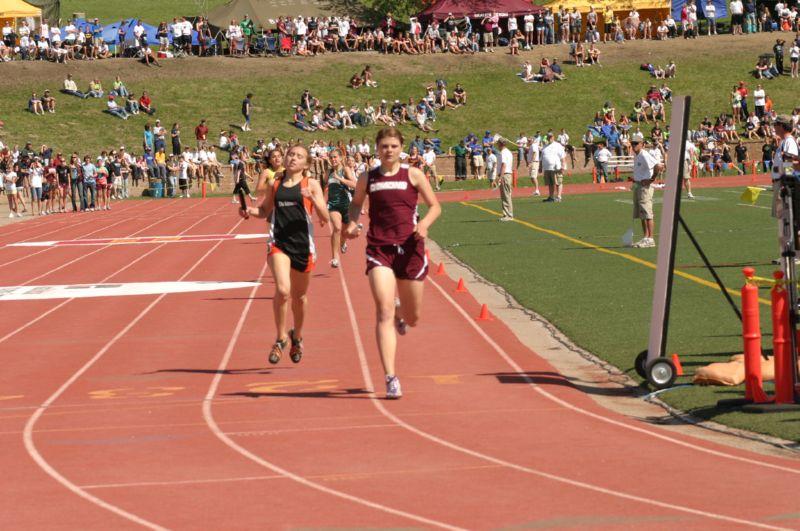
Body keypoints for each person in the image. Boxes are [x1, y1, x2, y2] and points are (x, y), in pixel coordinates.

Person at [343, 127, 441, 399]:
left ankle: (402, 314)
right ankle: (390, 377)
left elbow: (435, 206)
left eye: (393, 146)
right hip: (380, 248)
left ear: (401, 148)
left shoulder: (413, 174)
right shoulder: (368, 177)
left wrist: (424, 223)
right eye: (384, 146)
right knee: (383, 309)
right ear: (377, 148)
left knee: (413, 318)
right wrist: (352, 222)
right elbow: (356, 203)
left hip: (410, 249)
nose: (388, 150)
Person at [239, 145, 330, 365]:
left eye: (299, 156)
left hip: (303, 247)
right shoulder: (275, 184)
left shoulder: (312, 184)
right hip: (278, 242)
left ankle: (296, 336)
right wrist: (248, 211)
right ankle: (280, 337)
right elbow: (264, 211)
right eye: (291, 155)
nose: (293, 159)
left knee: (299, 297)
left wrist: (314, 199)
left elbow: (324, 217)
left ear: (306, 164)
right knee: (282, 289)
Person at [324, 149, 358, 268]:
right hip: (333, 205)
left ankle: (343, 243)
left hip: (346, 205)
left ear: (341, 158)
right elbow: (322, 187)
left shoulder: (345, 170)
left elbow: (355, 185)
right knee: (337, 228)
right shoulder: (328, 172)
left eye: (335, 157)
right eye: (331, 157)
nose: (333, 159)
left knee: (344, 232)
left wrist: (341, 179)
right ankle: (334, 257)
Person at [630, 138, 664, 248]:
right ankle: (645, 237)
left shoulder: (644, 154)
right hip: (638, 185)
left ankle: (650, 238)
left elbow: (658, 166)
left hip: (645, 187)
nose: (633, 145)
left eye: (636, 143)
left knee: (647, 212)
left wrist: (651, 179)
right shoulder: (638, 155)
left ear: (642, 144)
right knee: (642, 213)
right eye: (632, 143)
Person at [541, 133, 566, 202]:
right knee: (550, 183)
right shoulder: (545, 146)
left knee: (558, 182)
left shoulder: (558, 145)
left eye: (551, 137)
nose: (549, 138)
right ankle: (551, 197)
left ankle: (559, 196)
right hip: (547, 168)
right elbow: (542, 157)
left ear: (553, 137)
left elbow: (563, 157)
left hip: (556, 167)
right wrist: (540, 167)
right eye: (548, 137)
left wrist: (563, 166)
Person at [497, 139, 515, 221]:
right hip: (507, 175)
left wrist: (500, 177)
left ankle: (509, 215)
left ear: (501, 144)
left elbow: (504, 165)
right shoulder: (508, 152)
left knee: (506, 195)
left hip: (505, 175)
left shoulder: (503, 152)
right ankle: (506, 214)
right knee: (505, 195)